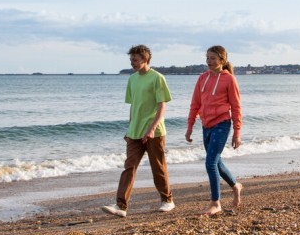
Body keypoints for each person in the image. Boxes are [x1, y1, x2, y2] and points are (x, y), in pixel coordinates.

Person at [103, 45, 175, 217]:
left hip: (154, 132)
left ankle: (167, 200)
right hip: (134, 132)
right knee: (129, 167)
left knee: (157, 167)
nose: (132, 63)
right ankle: (121, 206)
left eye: (135, 60)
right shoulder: (132, 79)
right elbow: (133, 107)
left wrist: (151, 129)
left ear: (145, 59)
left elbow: (161, 106)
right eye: (131, 60)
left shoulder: (157, 78)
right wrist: (130, 128)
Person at [185, 45, 244, 216]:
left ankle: (215, 202)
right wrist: (189, 127)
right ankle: (236, 186)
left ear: (222, 60)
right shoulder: (202, 78)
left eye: (212, 58)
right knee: (217, 162)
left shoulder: (229, 79)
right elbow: (195, 104)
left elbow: (236, 107)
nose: (209, 61)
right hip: (206, 125)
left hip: (222, 124)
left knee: (210, 162)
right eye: (207, 58)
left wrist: (237, 132)